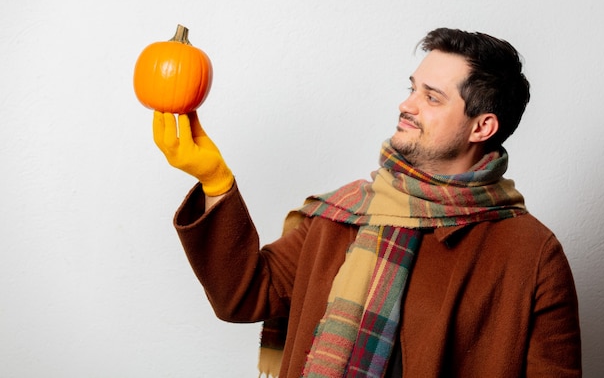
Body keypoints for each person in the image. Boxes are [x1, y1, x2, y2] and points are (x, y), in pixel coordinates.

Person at [152, 28, 582, 377]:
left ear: (482, 126)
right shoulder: (342, 213)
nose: (407, 105)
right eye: (412, 88)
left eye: (432, 98)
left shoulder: (531, 253)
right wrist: (215, 182)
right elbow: (241, 297)